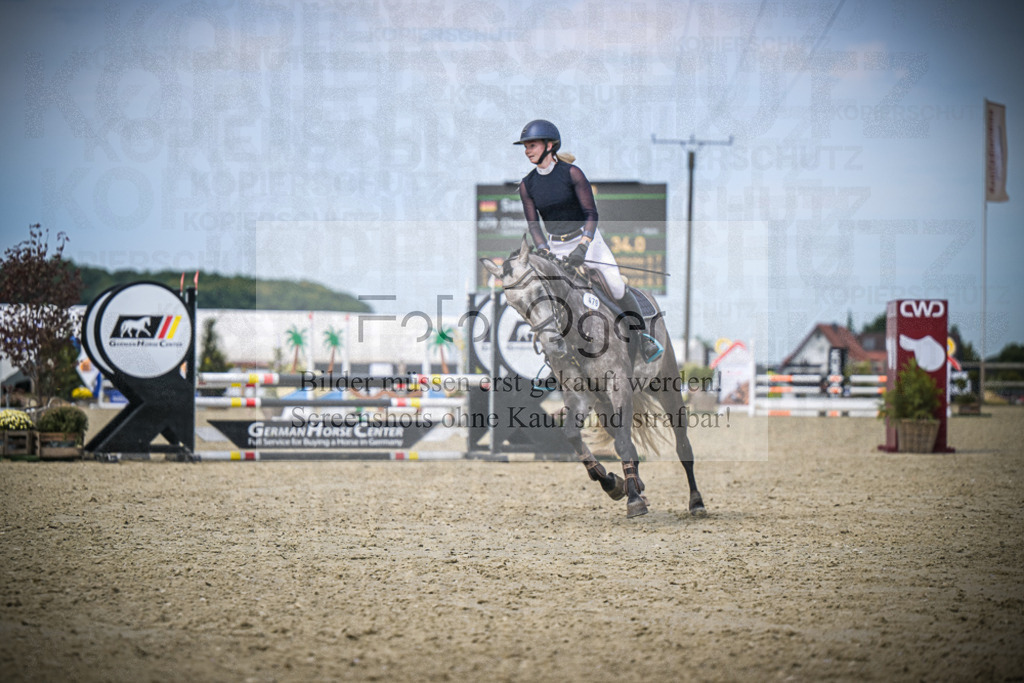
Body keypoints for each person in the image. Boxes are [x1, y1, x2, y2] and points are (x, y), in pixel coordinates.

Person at [513, 119, 662, 363]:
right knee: (551, 299)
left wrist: (583, 246)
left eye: (532, 145)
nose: (527, 150)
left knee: (615, 286)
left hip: (588, 241)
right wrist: (544, 250)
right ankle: (555, 361)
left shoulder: (572, 173)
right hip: (555, 248)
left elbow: (591, 214)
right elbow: (533, 225)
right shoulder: (527, 185)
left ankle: (642, 337)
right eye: (525, 146)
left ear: (550, 145)